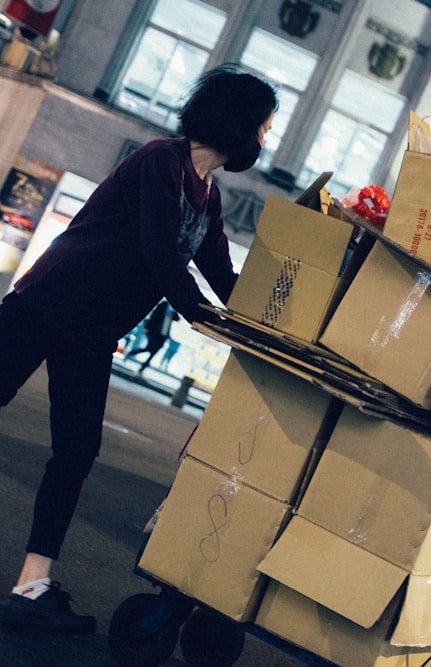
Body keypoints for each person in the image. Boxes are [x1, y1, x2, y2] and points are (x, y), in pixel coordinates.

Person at [0, 64, 277, 635]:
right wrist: (201, 318)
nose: (265, 140)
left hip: (92, 333)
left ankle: (31, 588)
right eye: (265, 127)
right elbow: (157, 248)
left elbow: (224, 277)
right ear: (239, 122)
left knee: (75, 454)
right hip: (46, 304)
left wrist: (275, 326)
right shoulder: (160, 160)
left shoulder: (207, 198)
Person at [126, 300, 179, 372]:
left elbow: (177, 319)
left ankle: (142, 368)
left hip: (164, 335)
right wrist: (147, 327)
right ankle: (131, 353)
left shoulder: (174, 309)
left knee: (154, 352)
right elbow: (154, 315)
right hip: (155, 332)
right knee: (149, 348)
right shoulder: (163, 305)